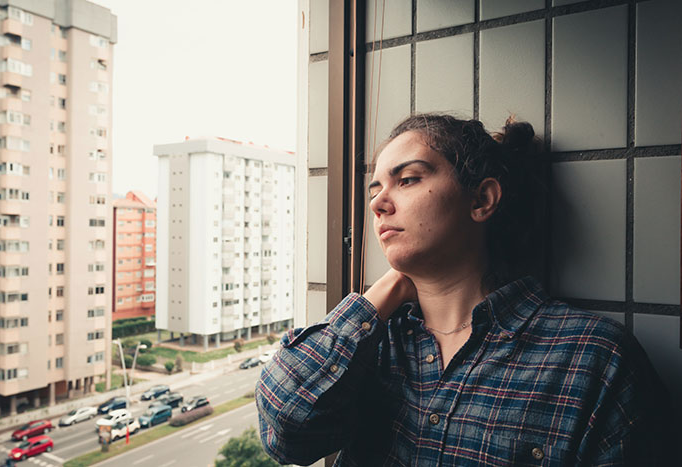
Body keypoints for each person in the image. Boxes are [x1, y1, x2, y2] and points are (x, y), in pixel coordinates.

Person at [255, 113, 676, 466]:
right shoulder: (372, 345)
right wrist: (379, 295)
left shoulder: (592, 358)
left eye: (408, 180)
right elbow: (286, 434)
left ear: (482, 200)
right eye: (376, 188)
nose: (378, 204)